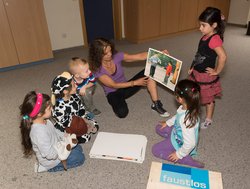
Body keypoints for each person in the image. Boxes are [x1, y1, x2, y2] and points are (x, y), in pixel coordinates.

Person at [88, 37, 170, 118]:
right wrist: (135, 83)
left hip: (126, 87)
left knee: (150, 71)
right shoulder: (97, 69)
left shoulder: (117, 56)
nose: (110, 54)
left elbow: (139, 56)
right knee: (122, 113)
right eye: (105, 53)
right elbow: (114, 85)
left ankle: (156, 104)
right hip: (113, 93)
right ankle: (119, 101)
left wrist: (159, 54)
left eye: (110, 50)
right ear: (97, 55)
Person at [19, 91, 85, 172]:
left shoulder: (45, 120)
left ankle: (67, 151)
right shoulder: (38, 133)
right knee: (80, 158)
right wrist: (63, 152)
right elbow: (49, 154)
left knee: (78, 147)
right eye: (49, 108)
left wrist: (64, 135)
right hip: (52, 160)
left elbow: (55, 131)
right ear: (39, 114)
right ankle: (46, 168)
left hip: (57, 146)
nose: (52, 109)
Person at [188, 7, 227, 129]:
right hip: (197, 72)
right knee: (194, 94)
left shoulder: (214, 39)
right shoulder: (205, 35)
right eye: (200, 25)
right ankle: (192, 113)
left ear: (214, 25)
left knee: (208, 98)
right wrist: (192, 67)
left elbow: (223, 56)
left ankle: (208, 119)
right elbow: (199, 54)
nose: (200, 28)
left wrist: (217, 71)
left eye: (203, 25)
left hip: (205, 75)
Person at [152, 79, 204, 168]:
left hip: (179, 143)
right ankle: (170, 138)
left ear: (180, 99)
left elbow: (190, 143)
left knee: (155, 150)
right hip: (176, 133)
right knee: (159, 127)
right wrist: (168, 123)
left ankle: (185, 159)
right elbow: (177, 117)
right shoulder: (186, 107)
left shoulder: (187, 120)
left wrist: (178, 154)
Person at [51, 71, 99, 144]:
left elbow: (81, 108)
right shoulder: (59, 108)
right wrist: (82, 124)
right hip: (70, 125)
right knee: (85, 138)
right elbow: (67, 123)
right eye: (74, 85)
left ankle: (85, 129)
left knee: (95, 124)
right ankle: (73, 137)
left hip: (79, 118)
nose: (76, 86)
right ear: (65, 91)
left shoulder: (74, 95)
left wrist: (84, 118)